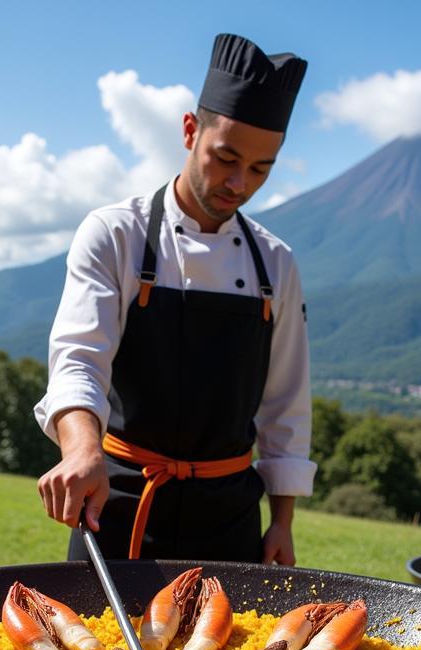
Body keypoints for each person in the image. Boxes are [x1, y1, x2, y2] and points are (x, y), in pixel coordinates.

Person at [35, 33, 315, 564]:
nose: (238, 183)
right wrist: (80, 448)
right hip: (119, 504)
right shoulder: (115, 234)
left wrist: (282, 522)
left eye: (260, 169)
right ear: (191, 130)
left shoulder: (275, 263)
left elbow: (287, 403)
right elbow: (78, 360)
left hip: (231, 515)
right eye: (225, 157)